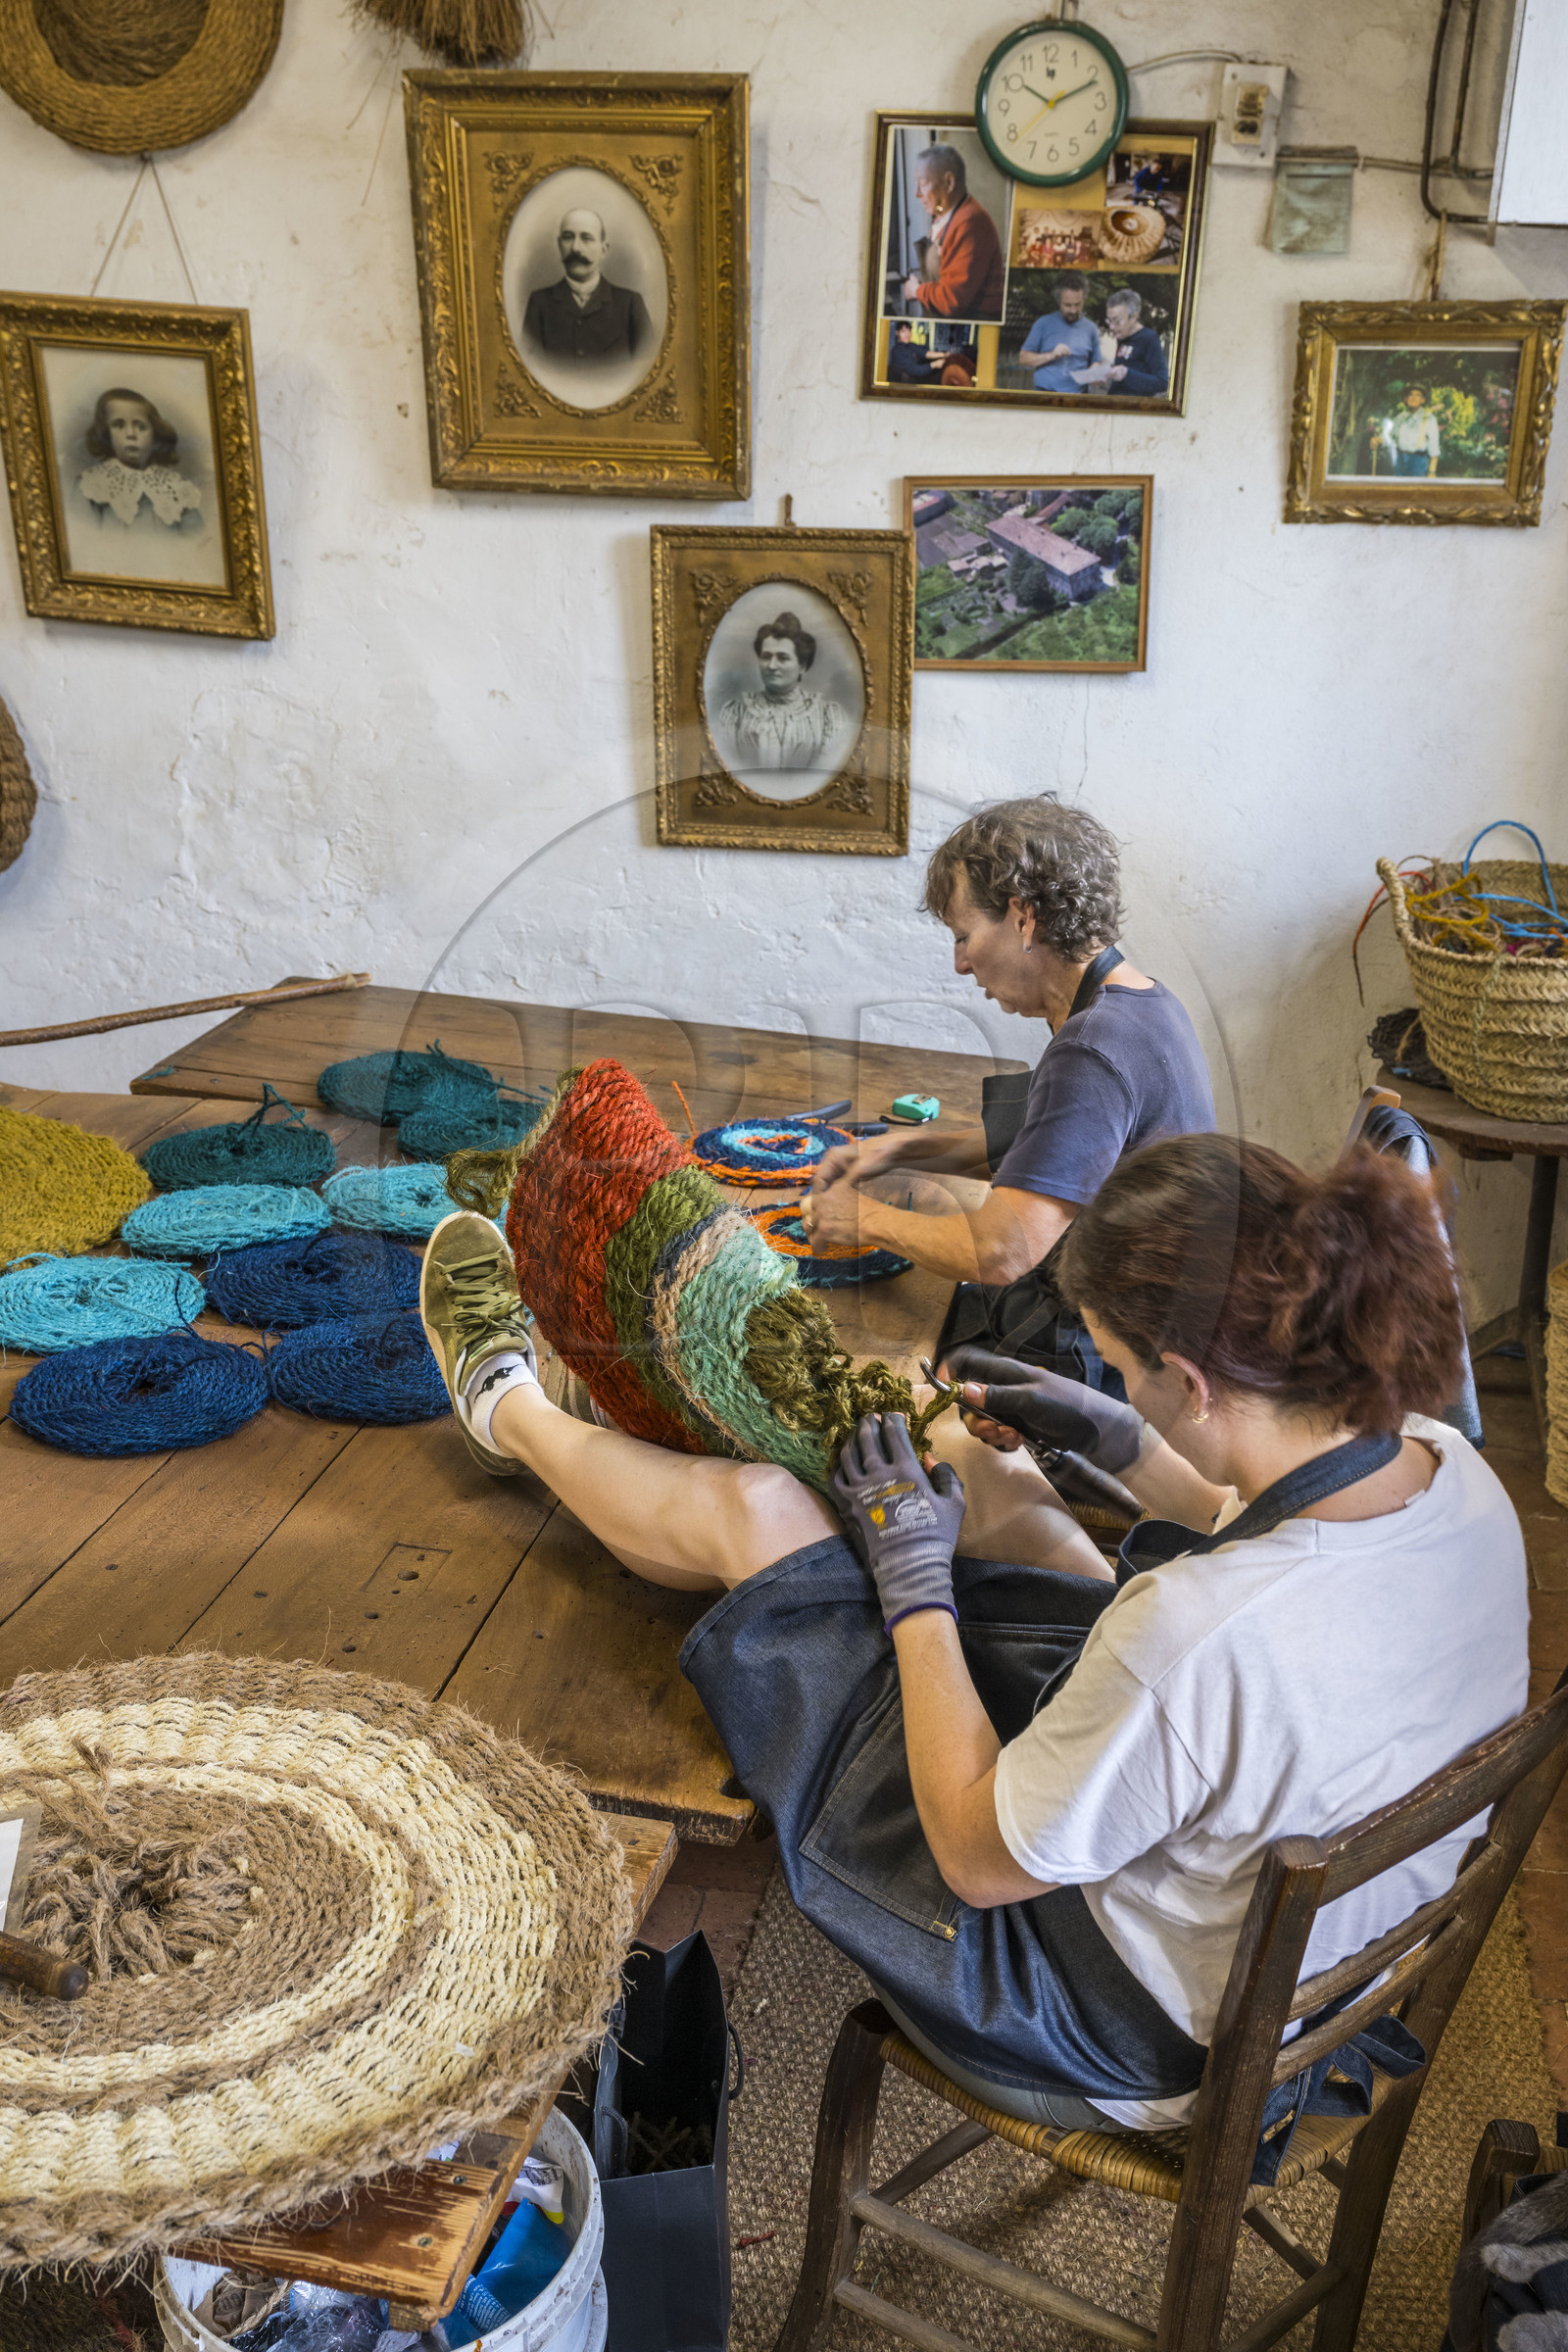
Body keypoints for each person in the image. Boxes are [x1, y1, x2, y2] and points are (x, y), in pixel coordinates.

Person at [417, 1132, 1529, 2135]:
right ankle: (675, 1475)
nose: (1124, 1391)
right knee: (979, 1457)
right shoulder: (1453, 1469)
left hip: (1121, 2026)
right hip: (1281, 1936)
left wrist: (913, 1588)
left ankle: (501, 1403)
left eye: (1125, 1374)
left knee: (758, 1510)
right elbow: (1273, 1548)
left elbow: (972, 1854)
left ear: (1191, 1380)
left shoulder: (1196, 1635)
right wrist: (1123, 1446)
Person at [802, 797, 1214, 1368]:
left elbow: (999, 1250)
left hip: (1112, 1358)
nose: (960, 965)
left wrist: (861, 1219)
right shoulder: (1139, 1006)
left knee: (868, 1361)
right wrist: (903, 1148)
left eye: (963, 935)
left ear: (1023, 918)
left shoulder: (1095, 1049)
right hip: (1131, 1325)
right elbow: (1043, 1157)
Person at [715, 611, 855, 776]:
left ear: (802, 666)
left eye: (782, 658)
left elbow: (825, 776)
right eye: (766, 657)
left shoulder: (829, 717)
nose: (772, 666)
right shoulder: (735, 714)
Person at [521, 209, 653, 365]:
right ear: (559, 245)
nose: (575, 248)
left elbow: (646, 369)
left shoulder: (630, 303)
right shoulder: (539, 303)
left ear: (603, 250)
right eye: (568, 237)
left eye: (587, 238)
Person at [899, 144, 1004, 322]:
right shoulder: (945, 216)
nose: (917, 193)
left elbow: (951, 300)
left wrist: (917, 290)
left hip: (973, 322)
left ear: (949, 183)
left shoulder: (969, 223)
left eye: (923, 184)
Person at [76, 388, 202, 532]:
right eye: (118, 425)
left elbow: (199, 542)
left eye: (141, 427)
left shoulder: (175, 487)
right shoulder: (90, 486)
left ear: (155, 436)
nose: (131, 434)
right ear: (106, 433)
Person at [1017, 272, 1102, 393]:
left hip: (1078, 398)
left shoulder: (1091, 328)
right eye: (1067, 305)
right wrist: (1052, 355)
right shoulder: (1043, 324)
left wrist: (1095, 370)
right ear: (1058, 301)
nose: (1073, 310)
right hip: (1045, 395)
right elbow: (1024, 359)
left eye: (1078, 305)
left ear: (1084, 300)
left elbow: (1097, 361)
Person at [1102, 289, 1169, 398]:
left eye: (1117, 321)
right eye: (1109, 321)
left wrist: (1126, 374)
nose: (1111, 327)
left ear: (1134, 317)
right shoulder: (1122, 335)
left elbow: (1162, 383)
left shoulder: (1149, 338)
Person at [1381, 384, 1441, 476]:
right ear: (1405, 399)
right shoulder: (1400, 417)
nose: (1413, 398)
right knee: (1399, 489)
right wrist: (1379, 440)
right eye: (1410, 395)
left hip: (1418, 462)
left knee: (1417, 490)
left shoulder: (1429, 418)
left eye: (1418, 395)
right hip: (1400, 461)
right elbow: (1389, 435)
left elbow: (1434, 448)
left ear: (1423, 400)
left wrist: (1431, 472)